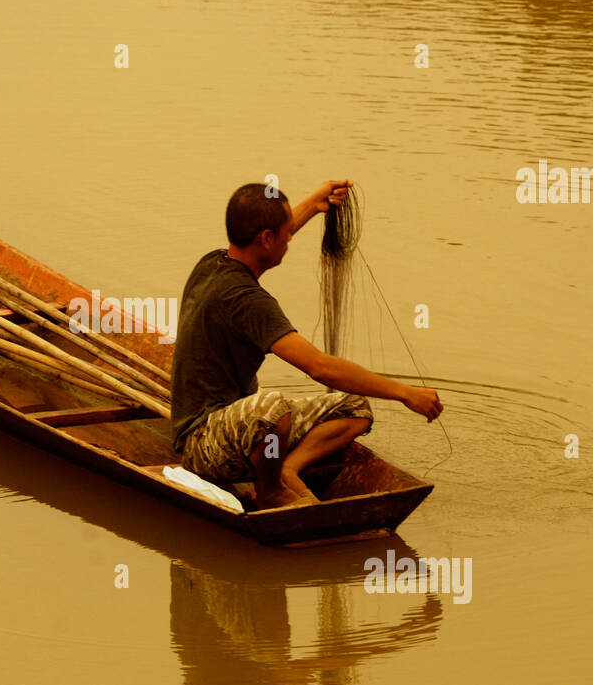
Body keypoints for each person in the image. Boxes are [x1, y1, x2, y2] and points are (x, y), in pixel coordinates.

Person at [170, 181, 444, 509]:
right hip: (202, 443)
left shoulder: (212, 263)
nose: (290, 238)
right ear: (266, 239)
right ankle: (269, 491)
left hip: (237, 426)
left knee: (355, 407)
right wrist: (404, 393)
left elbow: (269, 236)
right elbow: (320, 367)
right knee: (271, 410)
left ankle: (287, 469)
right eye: (286, 233)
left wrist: (314, 206)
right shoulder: (248, 302)